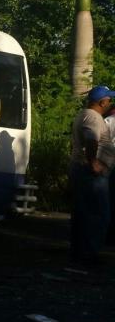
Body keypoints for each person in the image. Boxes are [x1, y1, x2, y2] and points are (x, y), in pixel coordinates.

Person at [69, 85, 115, 265]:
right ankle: (89, 253)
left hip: (82, 170)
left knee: (83, 213)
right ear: (102, 102)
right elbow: (91, 140)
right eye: (109, 99)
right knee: (99, 214)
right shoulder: (94, 117)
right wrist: (94, 163)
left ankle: (80, 252)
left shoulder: (84, 114)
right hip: (90, 174)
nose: (110, 102)